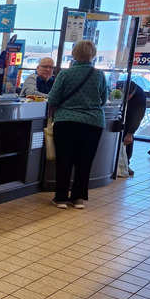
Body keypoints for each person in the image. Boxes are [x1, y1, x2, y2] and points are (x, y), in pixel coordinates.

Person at [47, 40, 108, 209]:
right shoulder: (99, 75)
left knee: (64, 160)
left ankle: (60, 198)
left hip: (66, 121)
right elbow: (103, 99)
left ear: (74, 54)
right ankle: (78, 198)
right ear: (93, 55)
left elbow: (53, 99)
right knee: (84, 161)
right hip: (93, 122)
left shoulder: (65, 74)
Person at [121, 81, 146, 176]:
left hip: (131, 119)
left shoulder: (140, 98)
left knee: (127, 141)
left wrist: (130, 133)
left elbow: (138, 118)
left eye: (126, 98)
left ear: (131, 94)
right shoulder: (120, 86)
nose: (125, 100)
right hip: (120, 116)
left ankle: (126, 164)